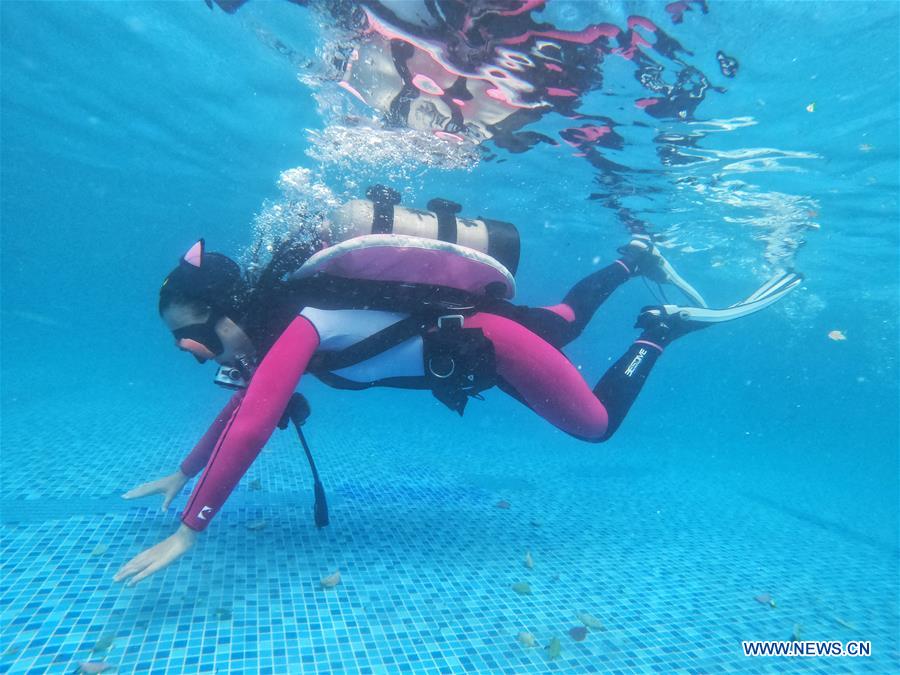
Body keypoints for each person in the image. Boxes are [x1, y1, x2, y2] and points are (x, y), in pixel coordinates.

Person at [113, 227, 800, 586]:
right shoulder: (273, 334)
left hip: (487, 346)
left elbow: (260, 418)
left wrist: (192, 526)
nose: (191, 350)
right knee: (560, 319)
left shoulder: (299, 324)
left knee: (594, 424)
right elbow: (245, 405)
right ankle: (629, 261)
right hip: (471, 346)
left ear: (224, 311)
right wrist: (183, 471)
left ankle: (657, 328)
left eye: (191, 335)